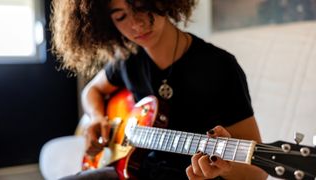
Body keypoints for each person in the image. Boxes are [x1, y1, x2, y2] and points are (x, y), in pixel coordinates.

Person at [50, 0, 268, 179]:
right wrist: (97, 117)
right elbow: (91, 90)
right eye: (120, 17)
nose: (136, 24)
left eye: (142, 7)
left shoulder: (219, 66)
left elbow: (258, 172)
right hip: (132, 171)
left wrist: (223, 168)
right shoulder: (127, 59)